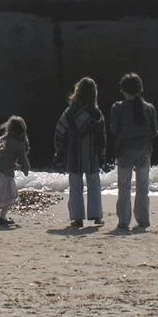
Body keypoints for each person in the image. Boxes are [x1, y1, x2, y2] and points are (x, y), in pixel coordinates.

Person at [53, 77, 107, 228]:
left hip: (74, 154)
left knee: (75, 186)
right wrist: (102, 155)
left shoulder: (70, 112)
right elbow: (102, 136)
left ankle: (77, 218)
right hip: (92, 154)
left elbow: (59, 132)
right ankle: (96, 216)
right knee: (94, 185)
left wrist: (59, 151)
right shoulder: (96, 113)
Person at [109, 72, 158, 231]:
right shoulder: (149, 108)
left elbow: (114, 130)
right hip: (144, 149)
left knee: (124, 186)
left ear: (124, 90)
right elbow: (154, 131)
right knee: (143, 186)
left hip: (125, 149)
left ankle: (123, 220)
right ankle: (143, 219)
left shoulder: (118, 108)